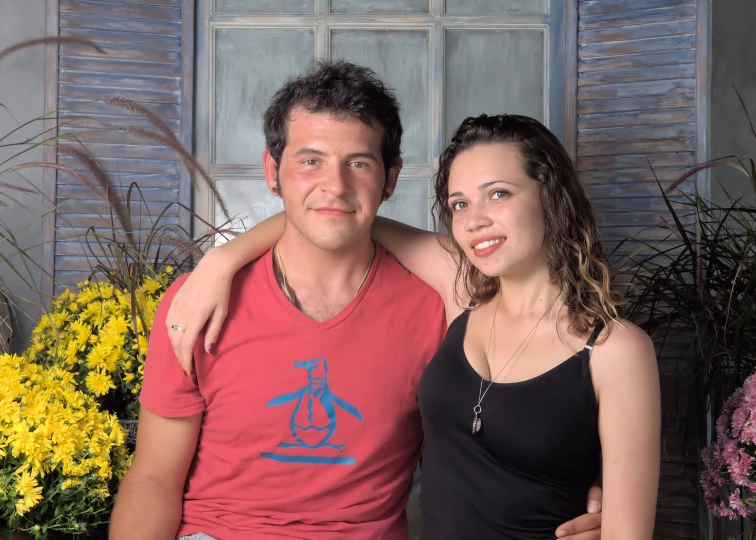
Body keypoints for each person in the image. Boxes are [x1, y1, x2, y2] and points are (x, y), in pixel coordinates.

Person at [110, 61, 605, 540]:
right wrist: (224, 262)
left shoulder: (442, 304)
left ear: (390, 179)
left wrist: (594, 491)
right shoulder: (195, 305)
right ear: (272, 170)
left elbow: (542, 394)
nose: (334, 186)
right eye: (310, 161)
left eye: (359, 164)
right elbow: (153, 478)